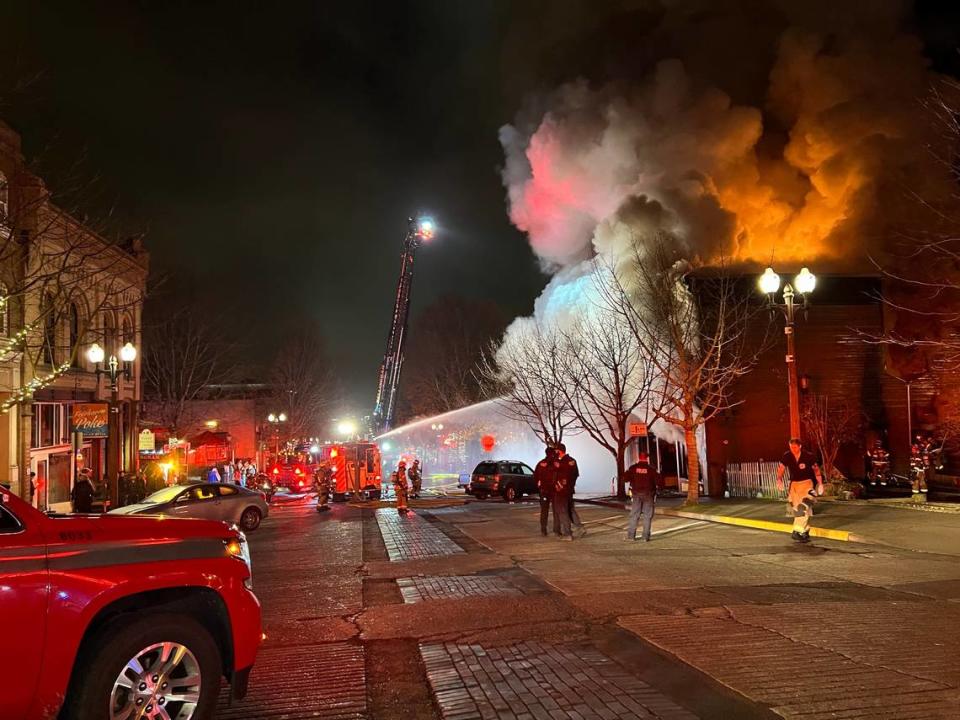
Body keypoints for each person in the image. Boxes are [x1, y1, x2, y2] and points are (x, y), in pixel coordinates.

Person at [776, 438, 824, 543]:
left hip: (807, 483)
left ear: (800, 446)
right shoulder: (787, 456)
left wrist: (820, 484)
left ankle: (797, 531)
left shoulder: (809, 456)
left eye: (795, 447)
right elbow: (781, 468)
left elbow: (816, 470)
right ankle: (805, 531)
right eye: (791, 447)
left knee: (804, 506)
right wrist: (779, 479)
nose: (793, 449)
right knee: (798, 509)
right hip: (794, 485)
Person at [625, 451, 660, 542]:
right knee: (647, 516)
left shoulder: (633, 468)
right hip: (648, 495)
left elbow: (625, 478)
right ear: (646, 458)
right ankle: (645, 537)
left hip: (636, 495)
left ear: (639, 458)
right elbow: (659, 482)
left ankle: (631, 536)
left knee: (634, 515)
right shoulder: (651, 469)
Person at [552, 443, 581, 540]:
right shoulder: (571, 461)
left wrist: (562, 485)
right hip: (568, 490)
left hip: (561, 491)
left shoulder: (562, 462)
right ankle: (579, 528)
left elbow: (565, 475)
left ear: (559, 451)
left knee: (562, 511)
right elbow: (576, 474)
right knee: (569, 509)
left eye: (555, 451)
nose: (554, 452)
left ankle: (568, 534)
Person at [535, 446, 560, 537]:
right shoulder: (556, 464)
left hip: (544, 491)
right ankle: (557, 530)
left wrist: (540, 486)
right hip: (554, 491)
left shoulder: (541, 463)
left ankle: (543, 529)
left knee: (544, 510)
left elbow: (536, 477)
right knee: (556, 510)